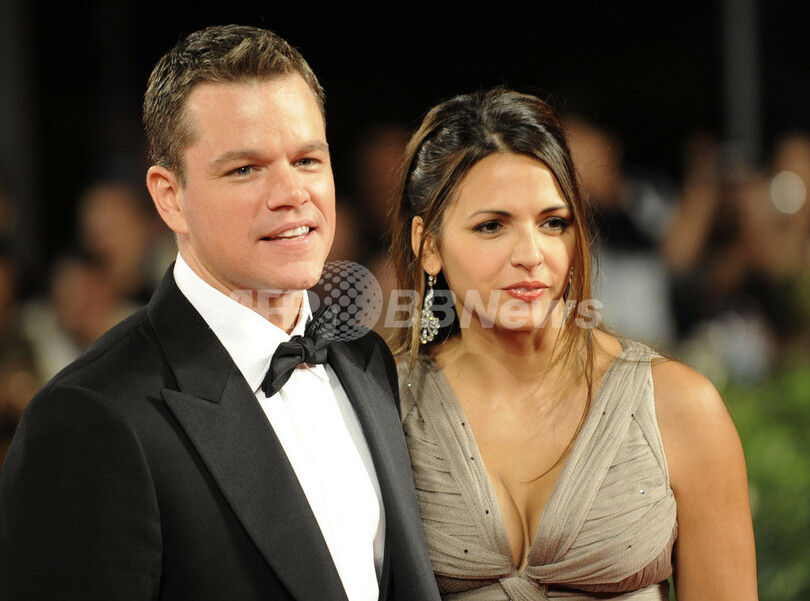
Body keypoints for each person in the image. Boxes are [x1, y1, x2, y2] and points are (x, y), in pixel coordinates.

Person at [0, 25, 439, 601]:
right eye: (245, 169)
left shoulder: (367, 360)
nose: (292, 193)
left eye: (307, 159)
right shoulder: (90, 420)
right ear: (170, 197)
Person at [389, 88, 757, 600]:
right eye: (492, 226)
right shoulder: (384, 409)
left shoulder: (679, 407)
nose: (531, 254)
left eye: (553, 223)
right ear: (428, 245)